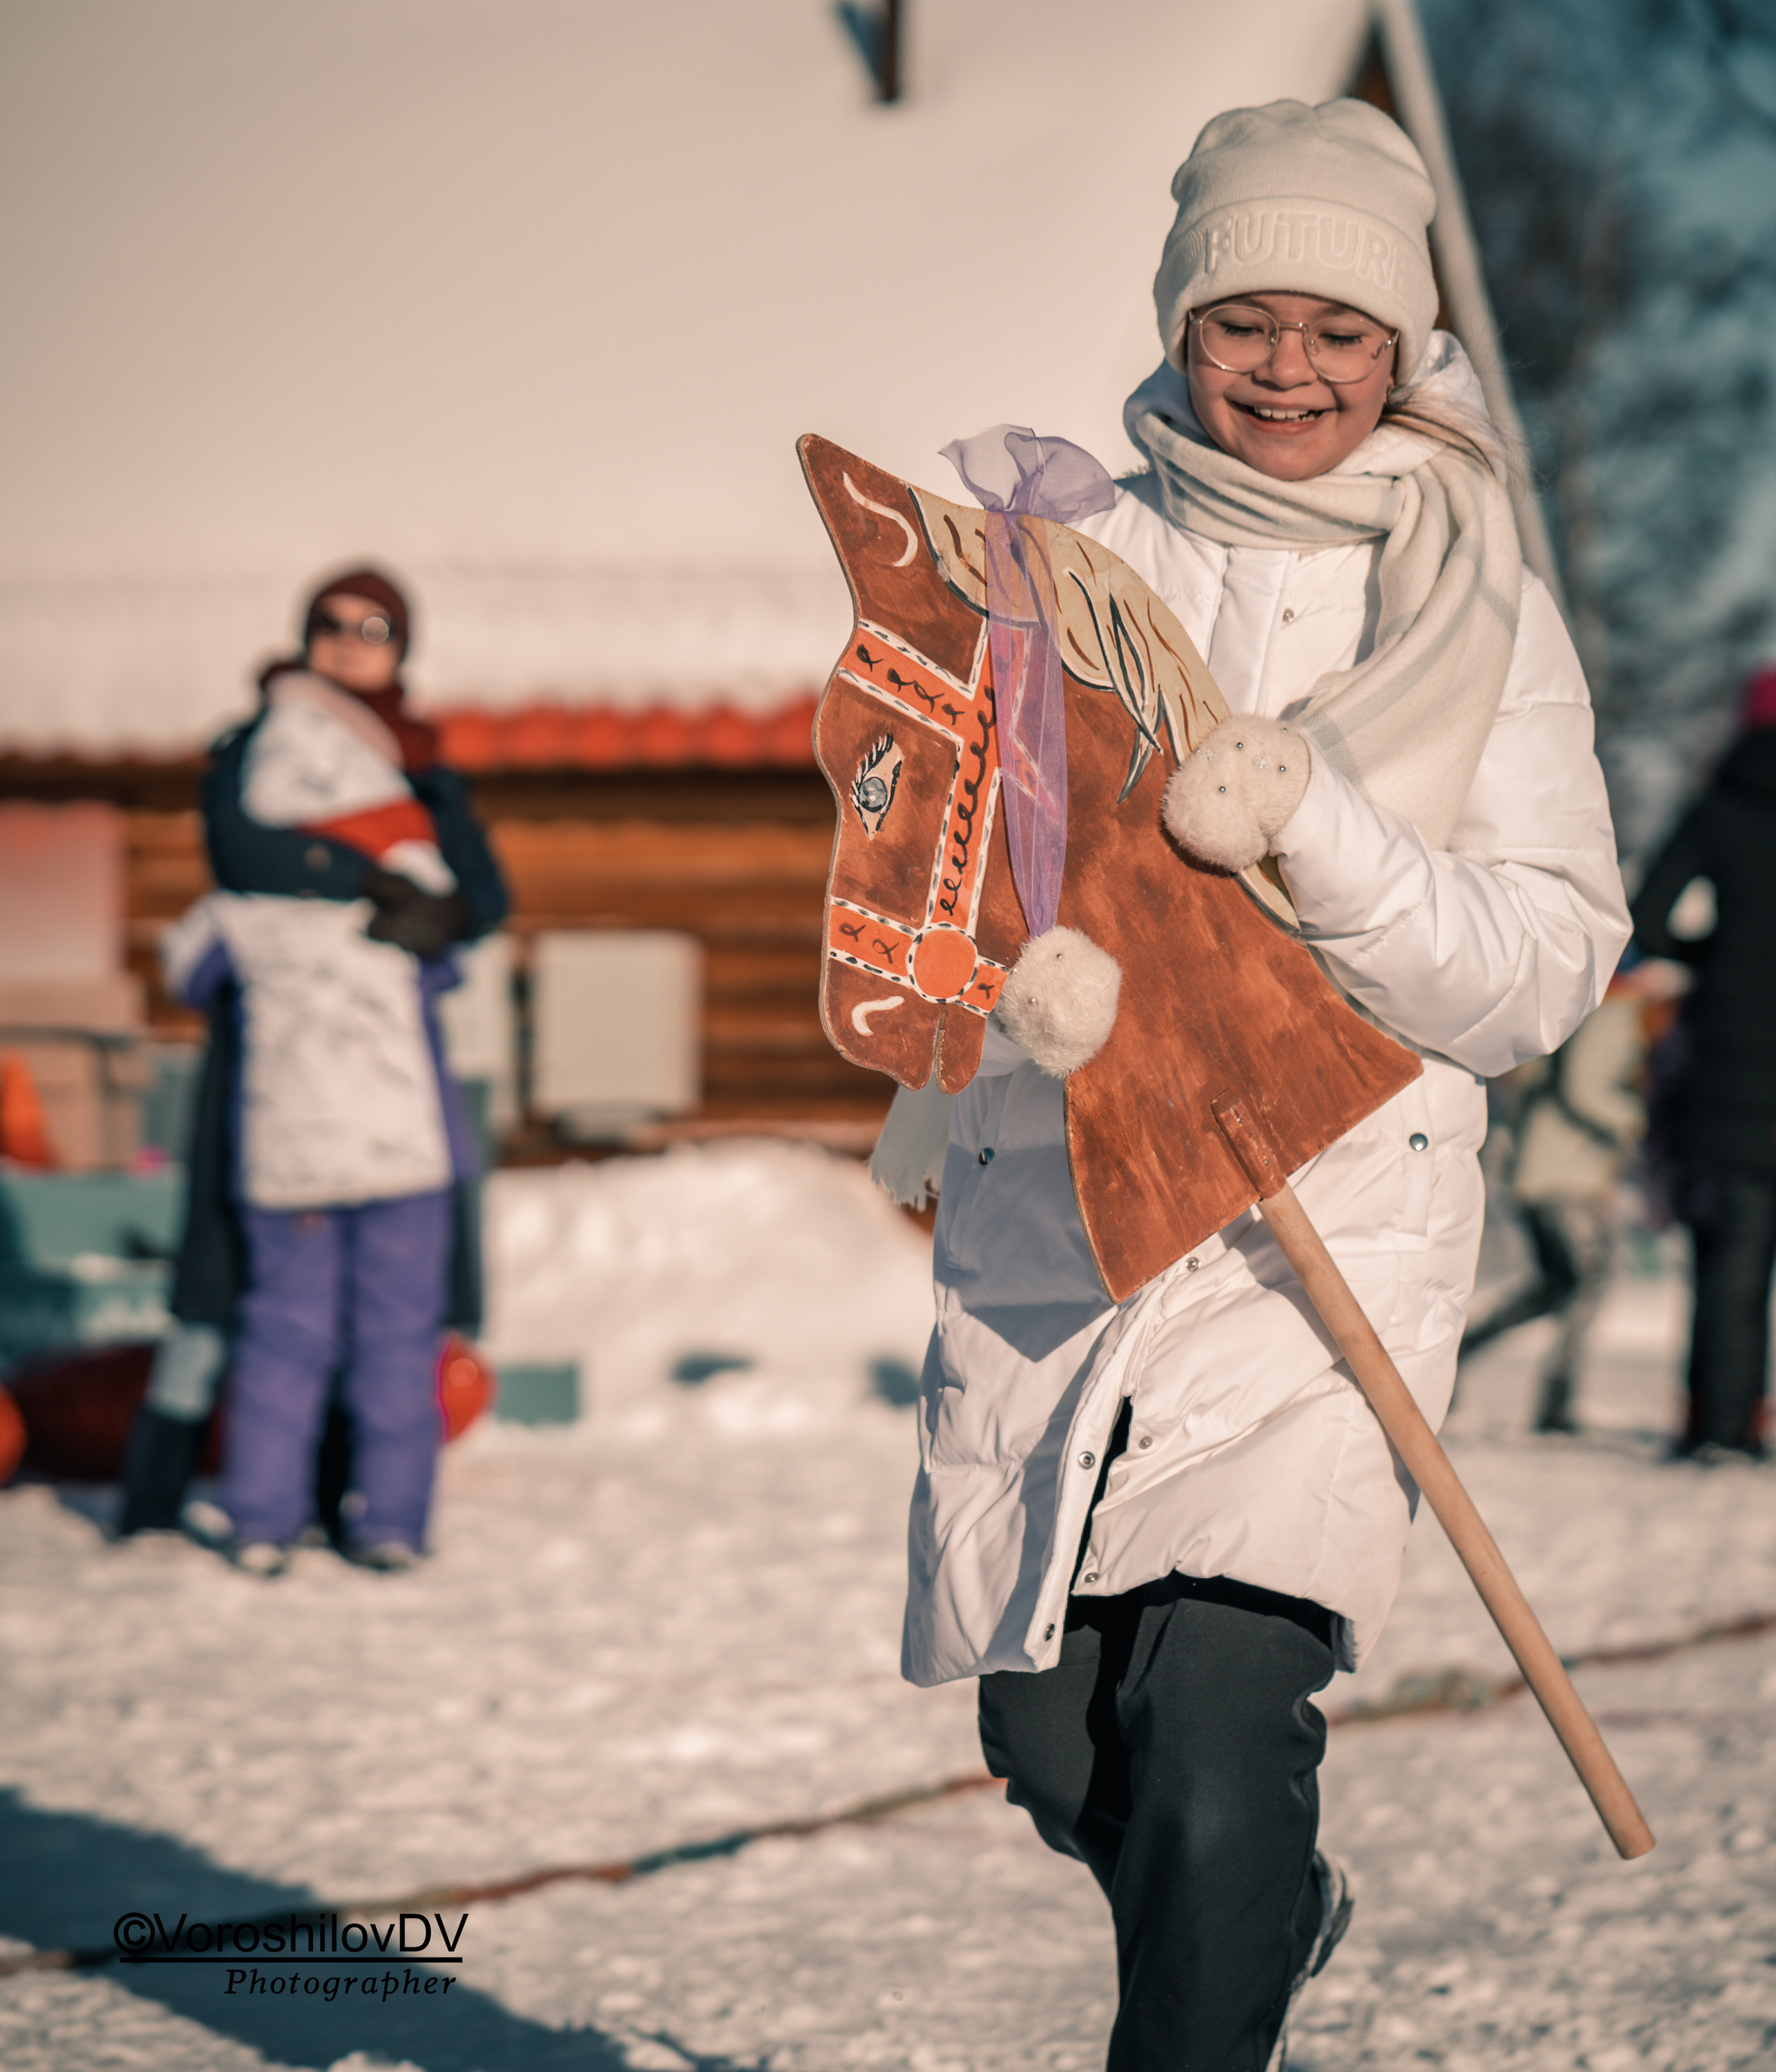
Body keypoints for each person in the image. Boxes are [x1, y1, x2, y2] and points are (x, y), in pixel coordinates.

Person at [893, 101, 1629, 2070]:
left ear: (1402, 348)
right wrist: (997, 989)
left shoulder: (1475, 604)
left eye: (1339, 327)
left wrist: (1323, 832)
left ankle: (1231, 1930)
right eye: (1246, 319)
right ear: (1181, 321)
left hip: (1326, 1252)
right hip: (1067, 1232)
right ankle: (1269, 1915)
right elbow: (939, 872)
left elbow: (1545, 967)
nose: (1289, 369)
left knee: (1216, 1752)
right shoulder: (1061, 568)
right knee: (1059, 1745)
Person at [133, 569, 506, 1568]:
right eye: (329, 626)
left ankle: (301, 1515)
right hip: (356, 1113)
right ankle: (328, 1515)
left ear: (402, 645)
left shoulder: (424, 769)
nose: (349, 642)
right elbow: (240, 845)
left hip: (312, 1115)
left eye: (373, 627)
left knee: (307, 1325)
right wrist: (376, 879)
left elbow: (480, 894)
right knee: (325, 1323)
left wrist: (440, 913)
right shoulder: (255, 747)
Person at [1630, 661, 1776, 1460]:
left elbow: (1647, 919)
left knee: (1728, 1255)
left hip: (1726, 1072)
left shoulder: (1719, 809)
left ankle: (1718, 1424)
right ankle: (1736, 1421)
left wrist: (1714, 954)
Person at [1457, 968, 1655, 1432]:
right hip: (1562, 1172)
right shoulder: (1613, 1011)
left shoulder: (1586, 1004)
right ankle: (1555, 1397)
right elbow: (1585, 1089)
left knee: (1557, 1288)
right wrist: (1639, 1122)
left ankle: (1463, 1353)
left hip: (1550, 1168)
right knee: (1589, 1281)